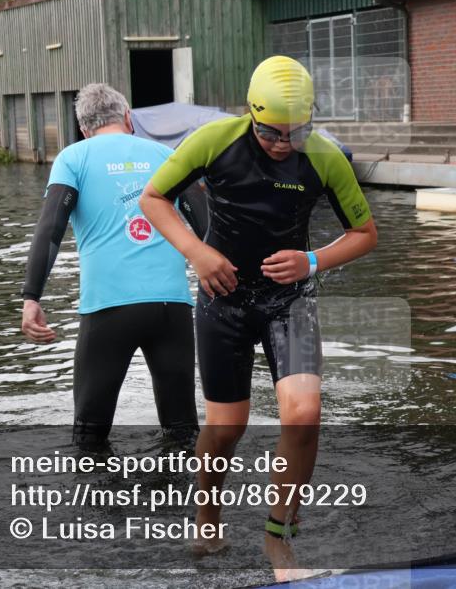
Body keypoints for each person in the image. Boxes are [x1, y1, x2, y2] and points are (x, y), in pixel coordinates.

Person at [139, 55, 377, 580]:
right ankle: (207, 514)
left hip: (289, 300)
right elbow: (153, 198)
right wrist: (197, 253)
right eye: (270, 132)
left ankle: (278, 539)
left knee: (304, 412)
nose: (283, 144)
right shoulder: (214, 141)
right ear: (251, 113)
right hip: (223, 297)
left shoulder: (324, 157)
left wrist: (311, 261)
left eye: (297, 132)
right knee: (227, 428)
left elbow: (364, 234)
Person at [21, 83, 199, 449]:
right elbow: (207, 222)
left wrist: (31, 296)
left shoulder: (74, 158)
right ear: (128, 118)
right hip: (172, 306)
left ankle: (93, 488)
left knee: (89, 434)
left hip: (109, 308)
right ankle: (190, 487)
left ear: (84, 129)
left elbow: (51, 228)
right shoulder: (165, 155)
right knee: (182, 431)